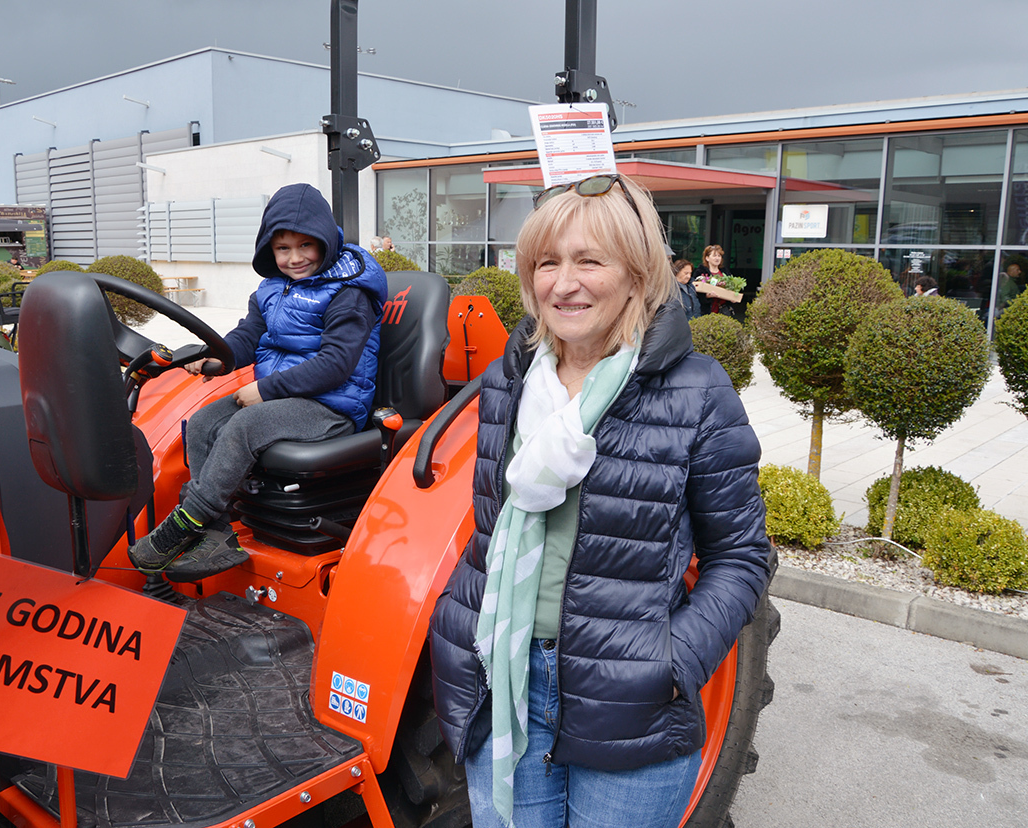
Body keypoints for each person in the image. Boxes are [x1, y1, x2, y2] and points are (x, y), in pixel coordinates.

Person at [428, 173, 770, 828]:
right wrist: (459, 618)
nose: (563, 283)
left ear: (637, 274)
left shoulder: (696, 392)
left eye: (589, 260)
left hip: (629, 694)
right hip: (503, 677)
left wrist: (674, 662)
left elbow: (742, 558)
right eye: (547, 263)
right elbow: (490, 527)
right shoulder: (510, 379)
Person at [128, 183, 388, 581]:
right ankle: (216, 535)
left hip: (332, 406)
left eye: (306, 246)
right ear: (269, 248)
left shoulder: (349, 292)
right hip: (283, 398)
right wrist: (217, 358)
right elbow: (249, 335)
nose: (295, 258)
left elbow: (336, 365)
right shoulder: (271, 289)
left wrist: (266, 390)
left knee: (243, 425)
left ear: (325, 242)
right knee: (200, 423)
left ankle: (187, 523)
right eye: (283, 248)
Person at [693, 244, 732, 314]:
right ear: (707, 258)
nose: (717, 258)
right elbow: (694, 290)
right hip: (707, 310)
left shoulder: (725, 272)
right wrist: (706, 296)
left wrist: (732, 297)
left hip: (723, 310)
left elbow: (732, 288)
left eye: (719, 256)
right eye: (714, 256)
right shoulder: (701, 272)